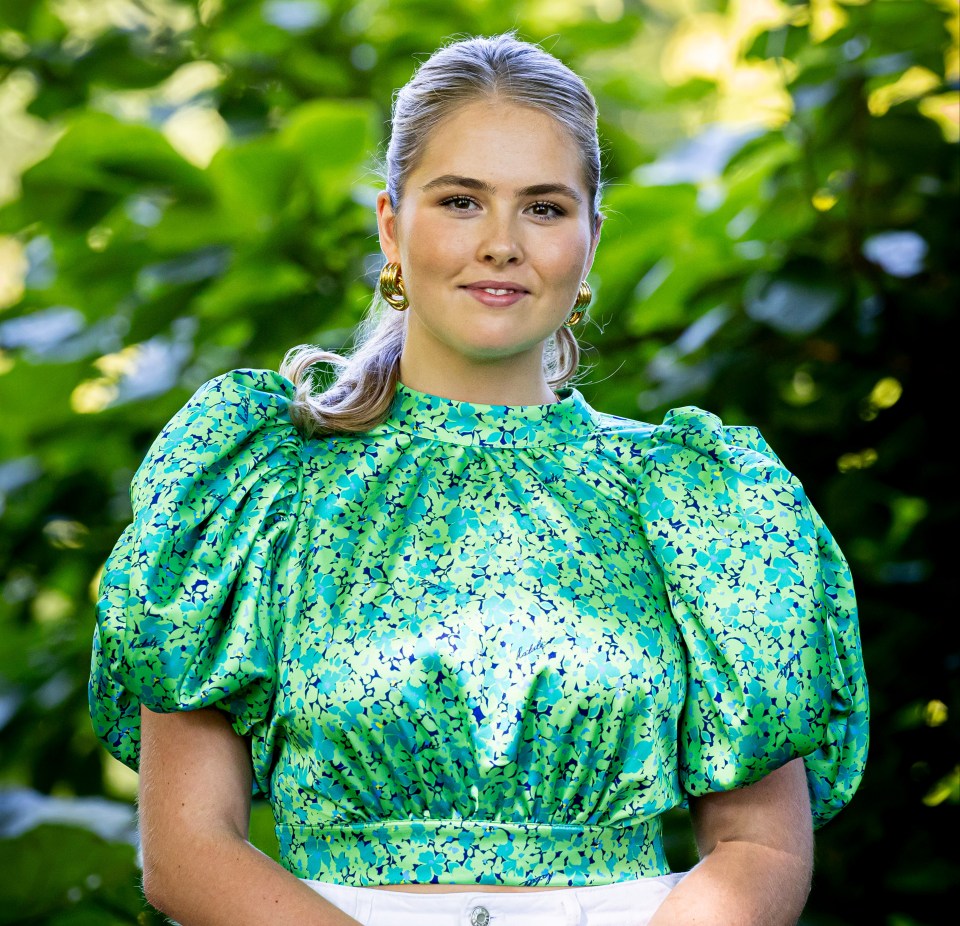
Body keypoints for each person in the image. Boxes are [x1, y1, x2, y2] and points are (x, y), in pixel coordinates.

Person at [89, 31, 869, 926]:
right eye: (461, 200)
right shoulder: (262, 485)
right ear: (390, 221)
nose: (501, 243)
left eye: (543, 208)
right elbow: (186, 853)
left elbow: (760, 847)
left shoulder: (698, 499)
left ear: (590, 237)